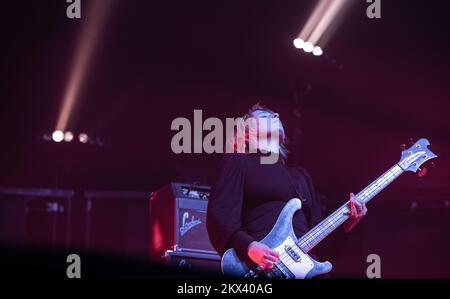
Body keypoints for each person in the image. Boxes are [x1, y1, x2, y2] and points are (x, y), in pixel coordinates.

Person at [206, 103, 367, 270]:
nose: (275, 114)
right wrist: (250, 246)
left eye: (275, 114)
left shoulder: (301, 176)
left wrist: (348, 224)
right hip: (260, 268)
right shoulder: (238, 162)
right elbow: (220, 219)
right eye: (264, 116)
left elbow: (323, 245)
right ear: (246, 133)